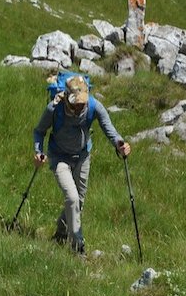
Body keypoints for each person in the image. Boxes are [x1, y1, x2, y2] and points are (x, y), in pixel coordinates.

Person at [33, 72, 131, 255]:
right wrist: (39, 152)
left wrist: (120, 144)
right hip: (59, 157)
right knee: (72, 198)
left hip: (83, 156)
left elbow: (109, 129)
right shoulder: (54, 109)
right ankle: (78, 247)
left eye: (82, 103)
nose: (79, 108)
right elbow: (39, 131)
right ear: (67, 99)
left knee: (79, 202)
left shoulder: (94, 106)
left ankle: (61, 234)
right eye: (75, 104)